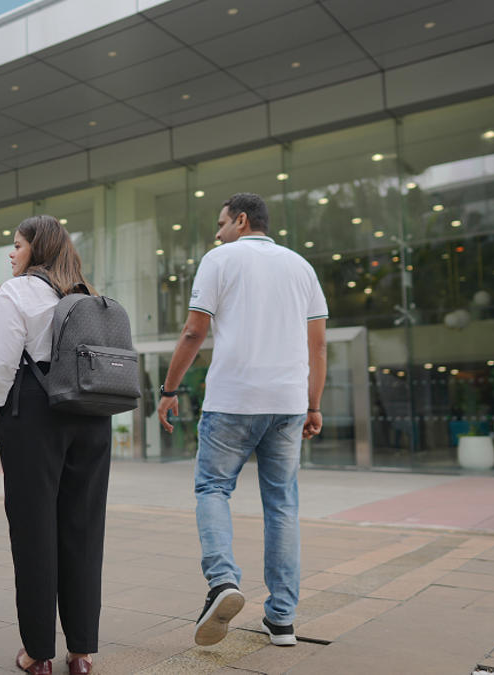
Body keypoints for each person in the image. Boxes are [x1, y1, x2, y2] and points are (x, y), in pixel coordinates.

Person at [157, 193, 327, 648]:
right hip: (288, 403)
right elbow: (318, 346)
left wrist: (169, 389)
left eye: (221, 222)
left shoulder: (221, 259)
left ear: (242, 220)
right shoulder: (301, 267)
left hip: (233, 399)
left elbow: (195, 330)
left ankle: (223, 582)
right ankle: (283, 620)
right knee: (283, 505)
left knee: (213, 488)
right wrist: (313, 404)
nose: (217, 232)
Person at [0, 215, 110, 675]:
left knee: (34, 532)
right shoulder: (88, 295)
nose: (10, 253)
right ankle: (81, 653)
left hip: (35, 411)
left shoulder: (16, 292)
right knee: (83, 529)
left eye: (16, 244)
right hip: (93, 415)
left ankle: (38, 654)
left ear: (37, 248)